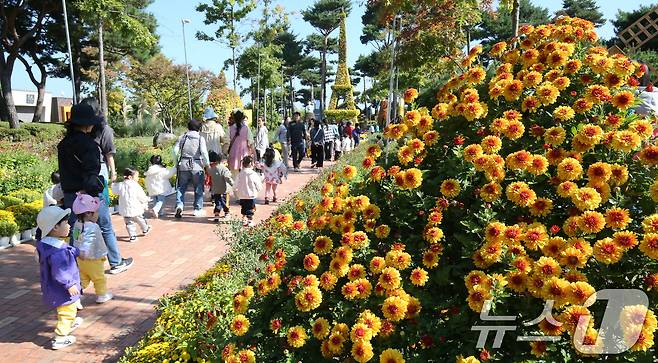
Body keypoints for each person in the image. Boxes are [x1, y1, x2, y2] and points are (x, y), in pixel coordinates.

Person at [58, 103, 133, 275]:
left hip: (70, 195)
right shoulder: (89, 144)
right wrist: (93, 196)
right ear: (86, 124)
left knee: (75, 231)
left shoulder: (63, 144)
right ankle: (116, 262)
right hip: (88, 195)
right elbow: (91, 173)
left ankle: (73, 268)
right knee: (104, 226)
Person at [35, 206, 83, 350]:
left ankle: (71, 322)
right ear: (55, 227)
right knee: (66, 311)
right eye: (66, 223)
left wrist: (77, 251)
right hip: (63, 288)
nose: (69, 226)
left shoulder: (46, 244)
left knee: (67, 308)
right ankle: (61, 337)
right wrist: (69, 284)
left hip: (53, 287)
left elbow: (68, 251)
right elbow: (60, 271)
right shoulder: (58, 252)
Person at [71, 193, 112, 304]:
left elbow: (76, 238)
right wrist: (84, 252)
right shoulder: (92, 226)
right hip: (93, 258)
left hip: (81, 259)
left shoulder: (77, 223)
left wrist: (79, 252)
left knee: (83, 278)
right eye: (96, 211)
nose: (98, 214)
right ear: (88, 213)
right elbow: (87, 241)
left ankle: (75, 296)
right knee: (99, 278)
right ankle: (102, 295)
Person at [174, 119, 210, 218]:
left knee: (181, 187)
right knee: (198, 188)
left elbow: (175, 150)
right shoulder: (200, 138)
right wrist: (207, 164)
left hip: (184, 164)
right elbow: (203, 152)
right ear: (199, 128)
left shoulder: (182, 137)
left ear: (188, 127)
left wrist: (176, 162)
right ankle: (197, 209)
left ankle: (179, 205)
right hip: (197, 165)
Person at [111, 167, 151, 242]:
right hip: (135, 207)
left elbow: (114, 190)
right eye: (137, 176)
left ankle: (132, 236)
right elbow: (141, 196)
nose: (138, 178)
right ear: (130, 177)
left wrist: (113, 181)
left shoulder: (120, 185)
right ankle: (145, 229)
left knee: (129, 223)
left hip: (125, 208)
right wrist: (145, 200)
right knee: (140, 219)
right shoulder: (135, 185)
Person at [235, 156, 262, 227]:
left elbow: (236, 183)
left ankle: (243, 219)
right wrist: (259, 189)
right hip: (251, 194)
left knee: (243, 207)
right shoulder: (253, 174)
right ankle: (249, 220)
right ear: (251, 164)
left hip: (241, 194)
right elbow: (258, 183)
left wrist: (234, 189)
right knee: (250, 208)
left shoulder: (240, 173)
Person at [227, 110, 254, 181]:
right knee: (244, 179)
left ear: (234, 118)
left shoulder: (230, 129)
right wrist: (254, 156)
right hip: (244, 157)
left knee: (234, 179)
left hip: (233, 156)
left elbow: (226, 143)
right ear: (242, 118)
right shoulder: (246, 129)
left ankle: (236, 192)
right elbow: (251, 143)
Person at [208, 151, 233, 221]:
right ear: (224, 161)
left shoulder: (213, 168)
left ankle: (216, 214)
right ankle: (227, 213)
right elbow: (227, 178)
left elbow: (209, 174)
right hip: (224, 189)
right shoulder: (224, 169)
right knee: (225, 202)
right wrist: (233, 185)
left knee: (217, 202)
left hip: (215, 190)